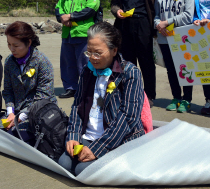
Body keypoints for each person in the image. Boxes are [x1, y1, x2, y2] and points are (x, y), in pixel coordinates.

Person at [58, 22, 145, 175]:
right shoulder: (87, 70)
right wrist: (73, 135)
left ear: (114, 51)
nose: (92, 58)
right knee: (64, 164)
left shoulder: (130, 73)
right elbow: (77, 105)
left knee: (83, 171)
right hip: (89, 135)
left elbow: (128, 117)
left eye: (98, 53)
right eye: (89, 52)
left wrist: (99, 148)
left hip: (119, 138)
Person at [110, 0, 164, 106]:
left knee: (146, 61)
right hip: (125, 25)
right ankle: (130, 93)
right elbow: (114, 4)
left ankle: (149, 96)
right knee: (127, 62)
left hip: (144, 24)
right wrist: (117, 11)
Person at [1, 21, 57, 143]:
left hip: (40, 112)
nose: (11, 49)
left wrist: (20, 117)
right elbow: (7, 91)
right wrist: (10, 112)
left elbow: (43, 97)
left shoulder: (42, 62)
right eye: (9, 44)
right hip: (16, 112)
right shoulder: (9, 62)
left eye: (16, 45)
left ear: (29, 42)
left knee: (14, 137)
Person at [154, 0, 195, 112]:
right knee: (171, 70)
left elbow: (188, 16)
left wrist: (167, 23)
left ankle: (187, 99)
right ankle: (176, 97)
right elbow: (156, 15)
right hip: (164, 38)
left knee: (185, 68)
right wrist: (158, 25)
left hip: (182, 38)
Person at [55, 0, 101, 99]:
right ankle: (71, 88)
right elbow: (58, 8)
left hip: (83, 34)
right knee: (68, 63)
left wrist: (71, 17)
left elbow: (91, 9)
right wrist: (62, 18)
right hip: (67, 34)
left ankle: (88, 89)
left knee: (85, 63)